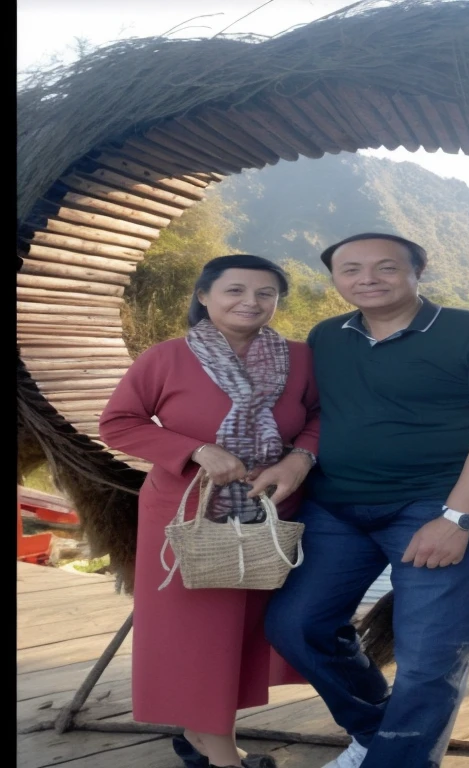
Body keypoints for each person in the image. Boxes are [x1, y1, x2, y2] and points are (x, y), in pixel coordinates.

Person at [258, 234, 469, 768]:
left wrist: (456, 518)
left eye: (386, 267)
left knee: (429, 656)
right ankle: (377, 734)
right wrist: (294, 459)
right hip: (337, 507)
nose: (368, 278)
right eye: (351, 269)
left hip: (438, 504)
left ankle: (398, 760)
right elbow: (313, 415)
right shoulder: (328, 337)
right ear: (334, 279)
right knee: (296, 626)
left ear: (417, 272)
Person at [99, 254, 320, 768]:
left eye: (265, 293)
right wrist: (196, 450)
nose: (251, 302)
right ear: (204, 297)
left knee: (245, 629)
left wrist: (296, 460)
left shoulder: (300, 358)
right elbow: (119, 424)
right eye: (235, 290)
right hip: (185, 513)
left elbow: (319, 419)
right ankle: (220, 755)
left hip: (271, 511)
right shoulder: (167, 358)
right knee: (196, 633)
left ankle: (205, 737)